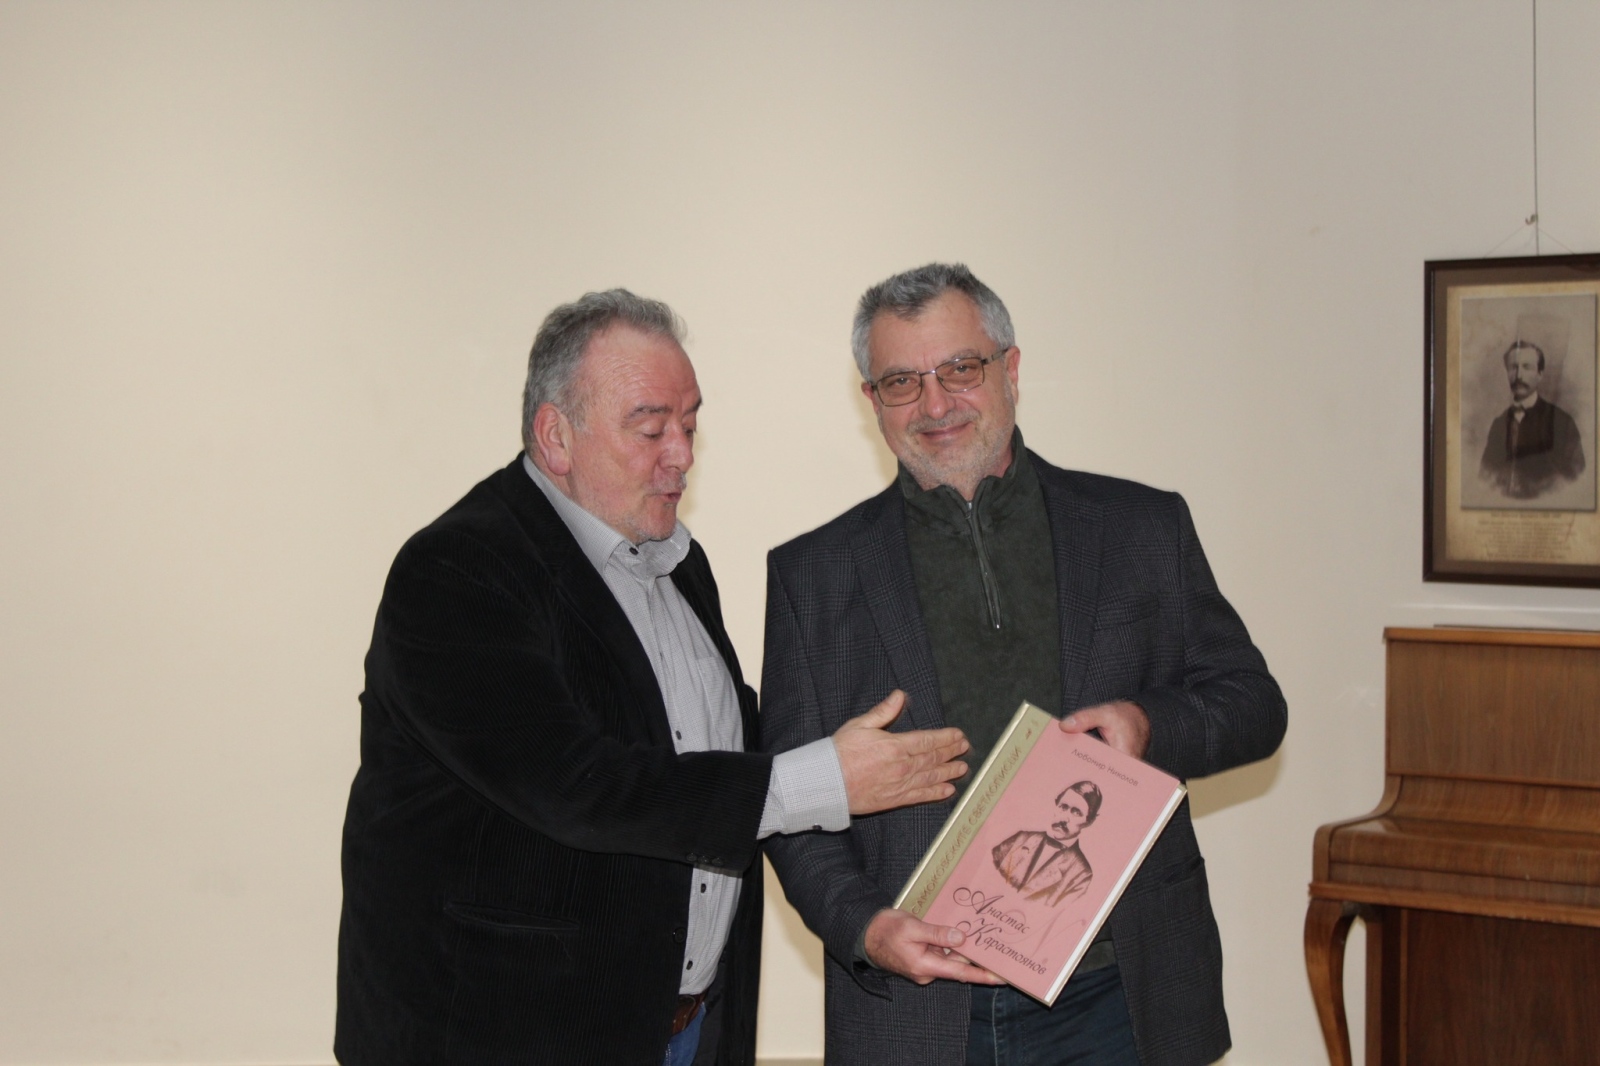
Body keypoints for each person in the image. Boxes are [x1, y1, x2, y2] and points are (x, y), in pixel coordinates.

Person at [334, 289, 971, 1066]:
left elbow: (719, 753)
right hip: (502, 1037)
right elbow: (578, 785)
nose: (682, 454)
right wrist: (822, 779)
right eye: (650, 427)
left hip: (684, 1032)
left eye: (690, 424)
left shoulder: (674, 562)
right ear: (555, 436)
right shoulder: (459, 571)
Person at [762, 263, 1286, 1066]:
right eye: (902, 382)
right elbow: (790, 808)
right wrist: (865, 928)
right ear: (871, 400)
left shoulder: (1140, 528)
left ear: (1010, 369)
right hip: (918, 1011)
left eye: (959, 369)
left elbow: (1252, 704)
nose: (935, 404)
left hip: (1118, 995)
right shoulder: (812, 576)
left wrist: (1149, 725)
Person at [1478, 339, 1586, 499]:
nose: (1518, 375)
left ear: (1540, 374)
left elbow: (1577, 480)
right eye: (1513, 367)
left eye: (1527, 367)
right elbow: (1485, 478)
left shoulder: (1563, 422)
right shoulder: (1499, 424)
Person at [991, 781, 1102, 907]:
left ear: (1089, 822)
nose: (1064, 818)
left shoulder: (1081, 874)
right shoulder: (1020, 839)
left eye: (1076, 812)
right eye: (1063, 807)